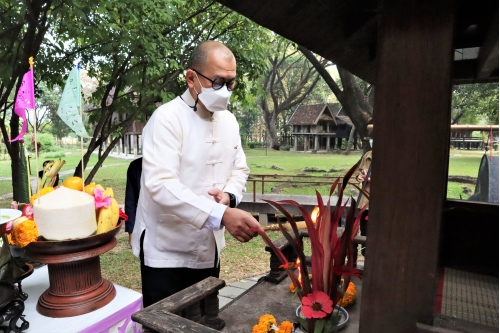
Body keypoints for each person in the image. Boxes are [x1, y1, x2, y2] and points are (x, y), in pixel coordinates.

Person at [131, 41, 262, 311]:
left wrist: (229, 196)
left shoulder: (230, 121)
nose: (225, 91)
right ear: (192, 78)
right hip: (166, 251)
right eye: (217, 82)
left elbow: (240, 169)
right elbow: (161, 184)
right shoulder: (166, 119)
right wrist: (222, 215)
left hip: (208, 248)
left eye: (231, 83)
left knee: (205, 318)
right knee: (165, 324)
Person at [124, 157, 142, 245]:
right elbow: (130, 202)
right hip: (145, 227)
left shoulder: (177, 164)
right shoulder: (136, 166)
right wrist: (131, 231)